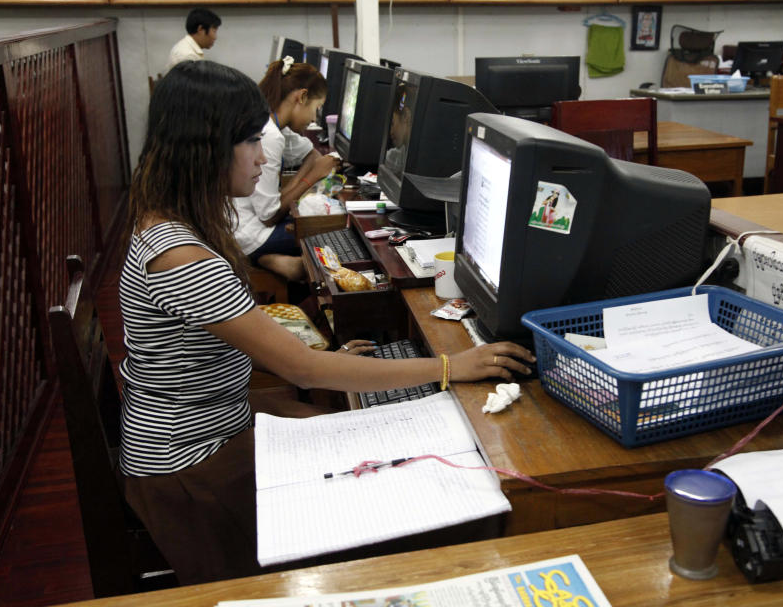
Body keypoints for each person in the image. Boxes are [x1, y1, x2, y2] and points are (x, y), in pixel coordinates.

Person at [120, 60, 535, 585]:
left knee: (366, 433)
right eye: (250, 141)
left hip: (215, 423)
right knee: (407, 488)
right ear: (205, 149)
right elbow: (304, 371)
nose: (260, 155)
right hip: (191, 465)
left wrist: (333, 364)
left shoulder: (171, 220)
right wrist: (450, 365)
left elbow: (304, 366)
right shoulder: (181, 256)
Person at [232, 57, 339, 281]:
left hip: (248, 225)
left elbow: (312, 154)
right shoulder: (269, 135)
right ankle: (260, 257)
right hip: (250, 234)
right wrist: (311, 178)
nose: (313, 118)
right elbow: (269, 216)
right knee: (335, 233)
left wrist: (305, 174)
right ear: (301, 97)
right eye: (316, 108)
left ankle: (269, 260)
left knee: (313, 222)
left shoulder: (275, 125)